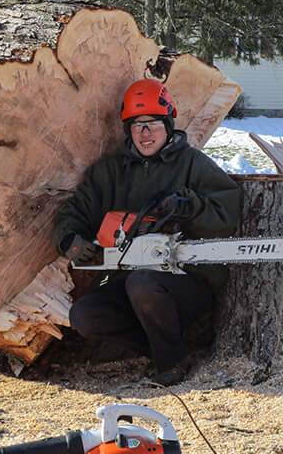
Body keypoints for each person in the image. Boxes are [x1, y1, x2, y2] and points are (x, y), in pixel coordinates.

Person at [54, 79, 244, 387]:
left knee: (143, 284)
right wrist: (69, 239)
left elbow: (227, 212)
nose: (145, 134)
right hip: (126, 279)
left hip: (186, 280)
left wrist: (191, 207)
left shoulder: (192, 164)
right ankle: (162, 346)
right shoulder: (110, 173)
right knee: (84, 316)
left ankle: (171, 362)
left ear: (168, 125)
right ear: (127, 129)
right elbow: (74, 212)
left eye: (153, 124)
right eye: (137, 126)